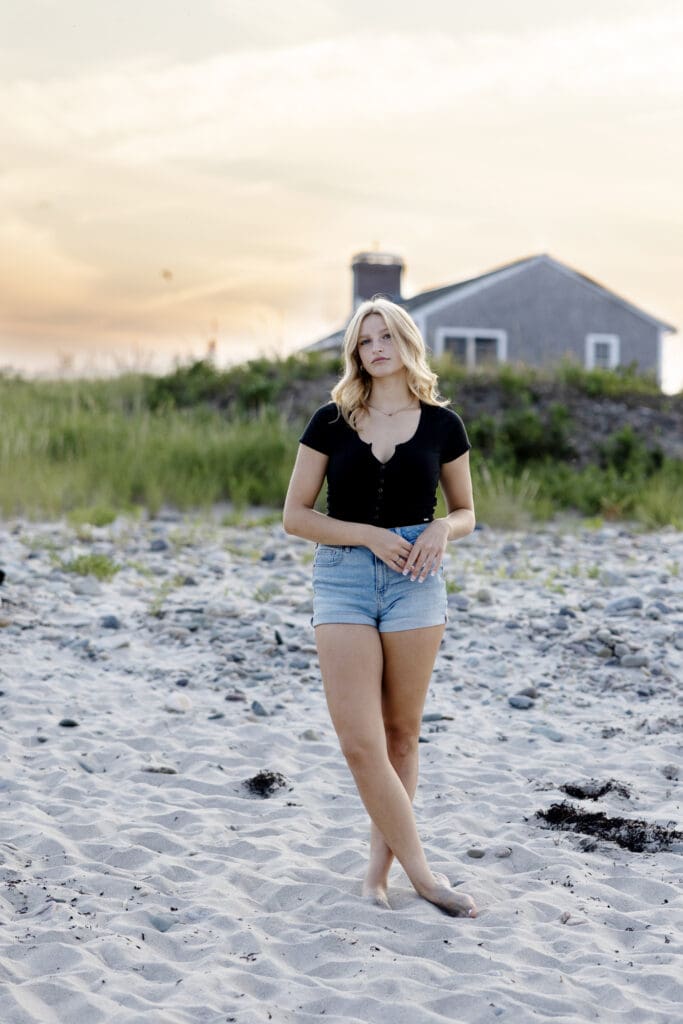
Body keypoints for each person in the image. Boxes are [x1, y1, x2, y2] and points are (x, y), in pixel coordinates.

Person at [282, 296, 477, 918]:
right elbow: (295, 517)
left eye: (385, 335)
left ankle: (377, 875)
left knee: (400, 735)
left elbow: (467, 510)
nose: (376, 348)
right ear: (356, 352)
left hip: (417, 582)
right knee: (360, 741)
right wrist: (366, 534)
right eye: (365, 340)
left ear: (406, 341)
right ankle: (423, 873)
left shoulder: (444, 425)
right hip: (342, 580)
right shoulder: (331, 421)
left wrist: (445, 529)